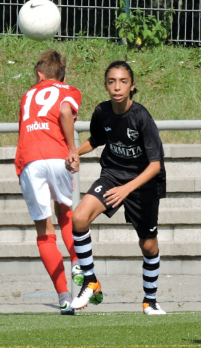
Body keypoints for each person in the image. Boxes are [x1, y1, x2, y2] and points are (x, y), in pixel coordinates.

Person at [66, 61, 167, 315]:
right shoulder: (102, 112)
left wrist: (127, 189)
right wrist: (75, 152)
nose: (117, 87)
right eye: (112, 81)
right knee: (79, 218)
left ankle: (150, 301)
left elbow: (155, 165)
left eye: (123, 81)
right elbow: (96, 139)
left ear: (132, 86)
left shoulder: (141, 117)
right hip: (111, 176)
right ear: (106, 85)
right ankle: (90, 281)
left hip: (143, 183)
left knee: (148, 246)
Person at [15, 49, 83, 315]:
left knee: (44, 232)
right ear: (62, 76)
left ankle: (64, 297)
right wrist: (72, 149)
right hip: (57, 156)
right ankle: (77, 262)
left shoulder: (27, 95)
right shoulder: (69, 90)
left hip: (31, 159)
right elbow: (65, 110)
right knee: (65, 213)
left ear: (39, 74)